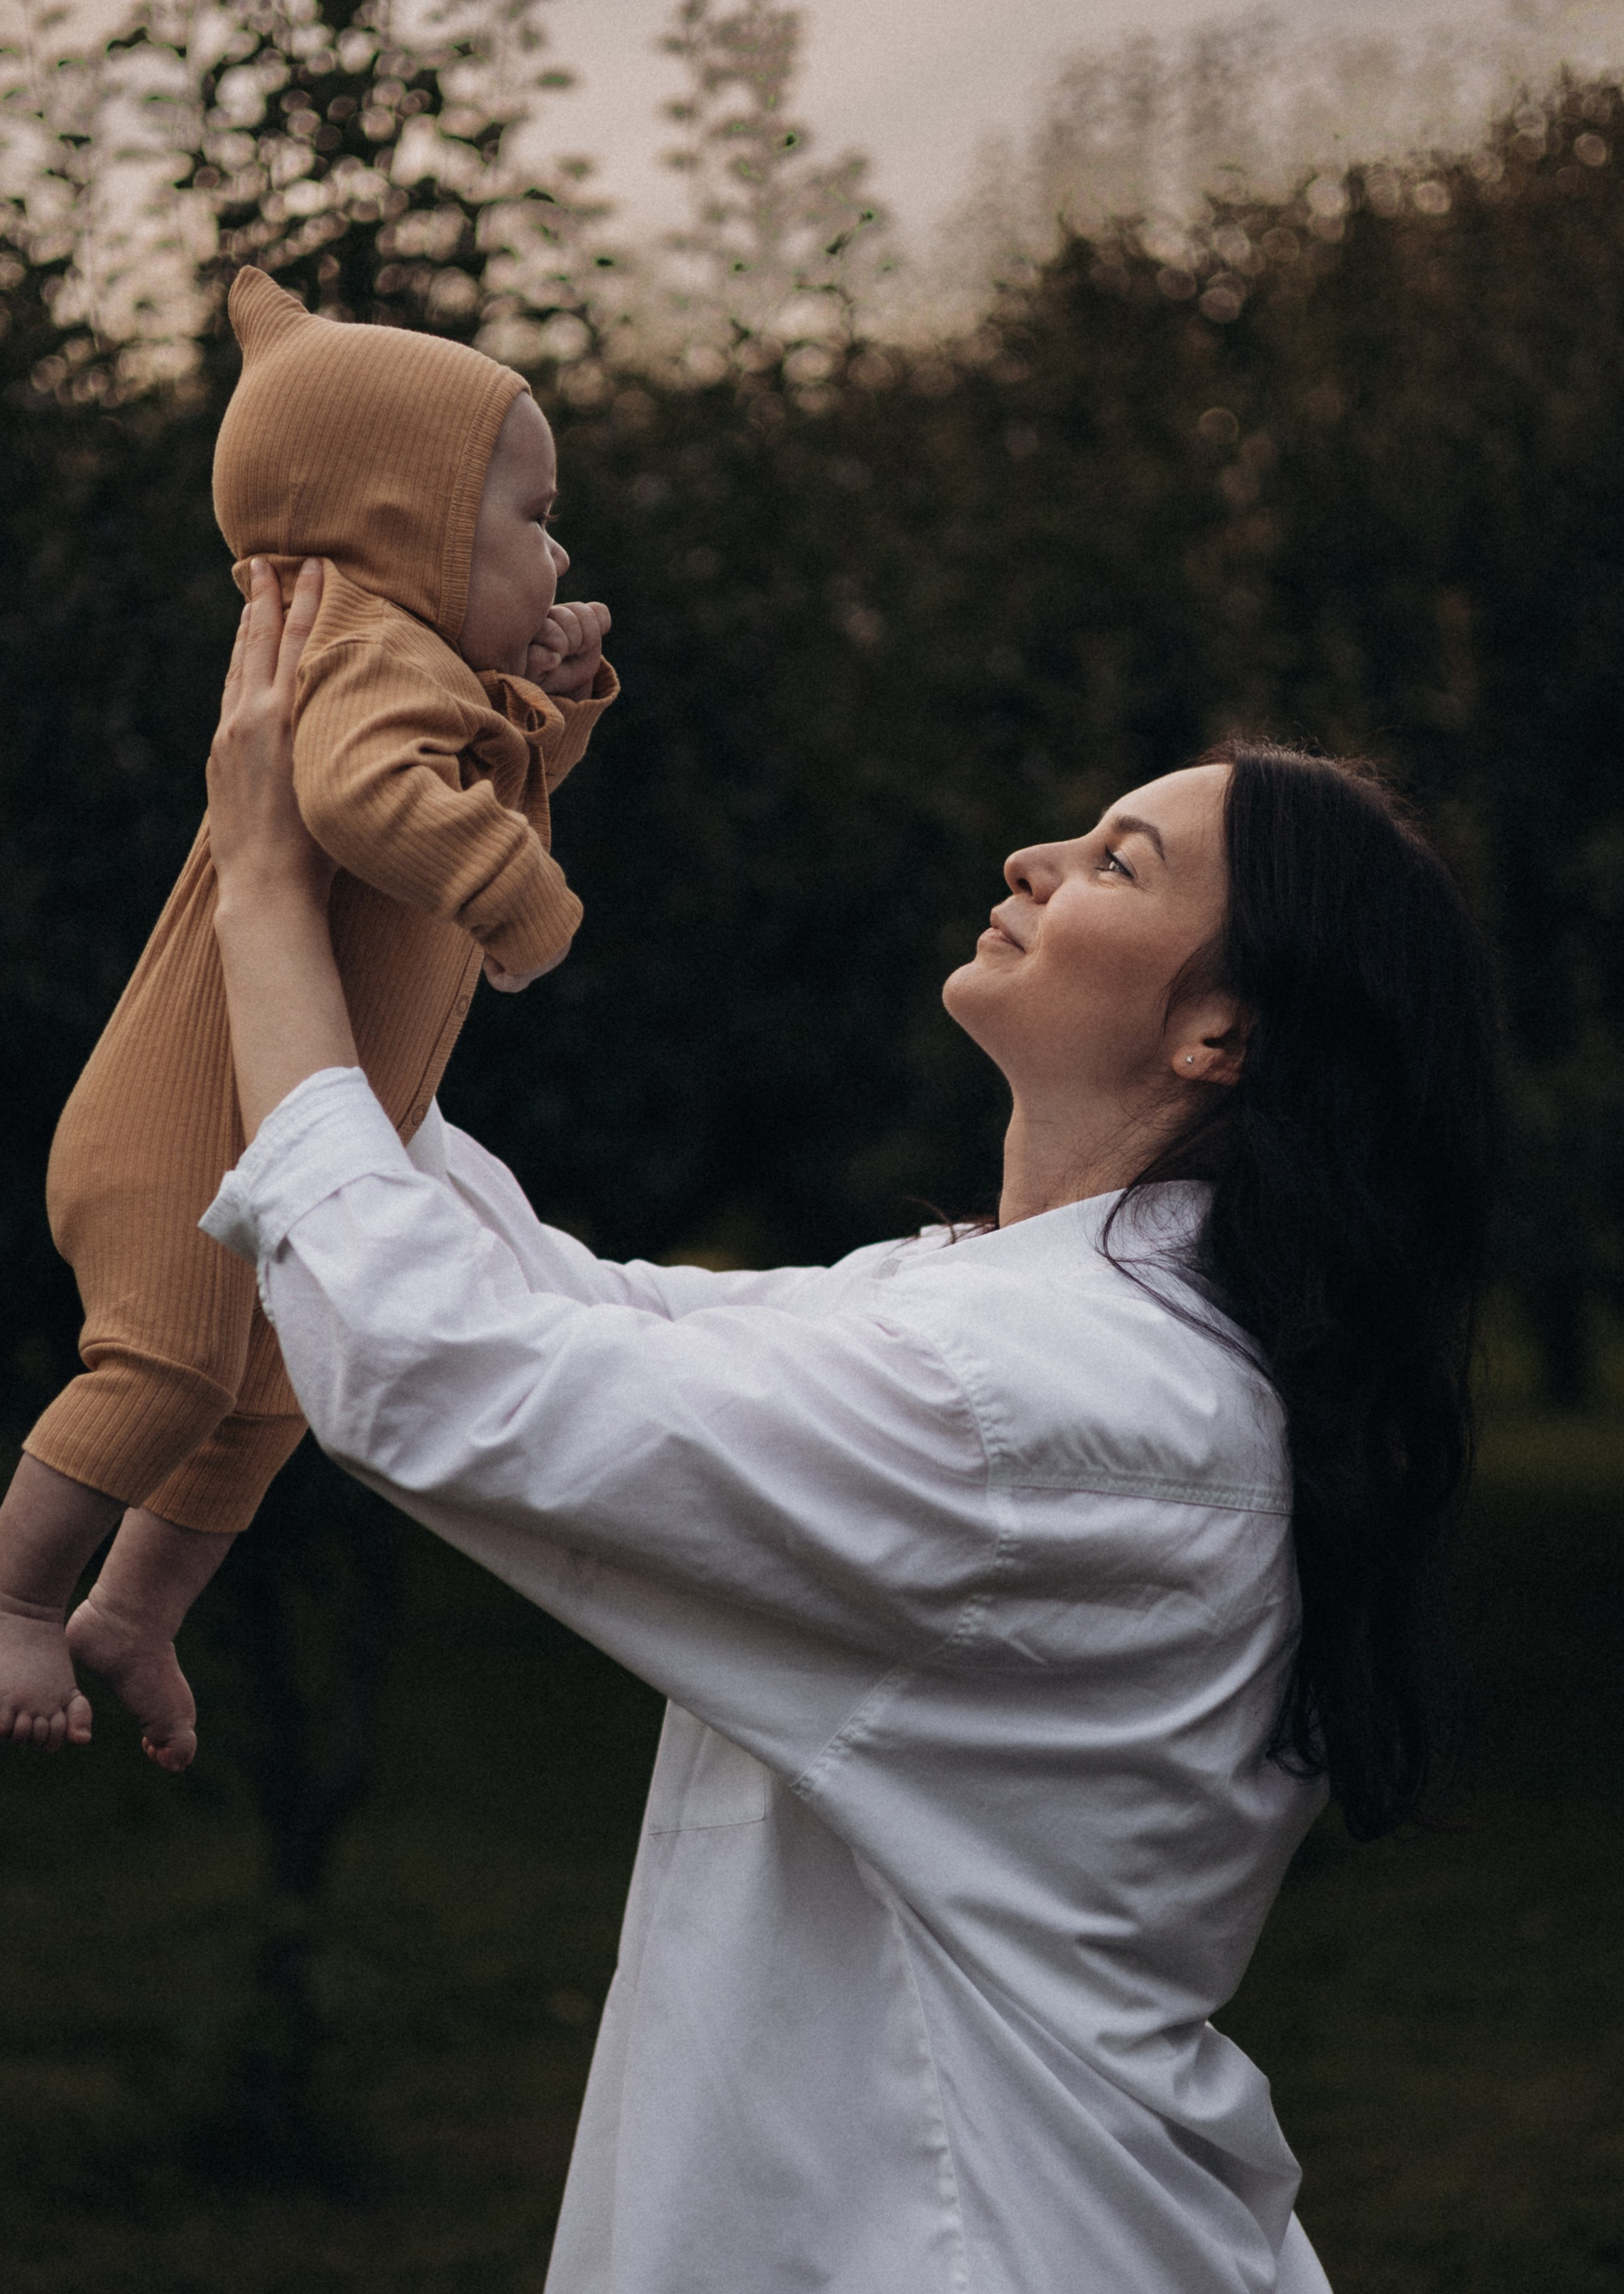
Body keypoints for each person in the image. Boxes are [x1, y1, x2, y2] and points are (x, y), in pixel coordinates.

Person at [196, 560, 1498, 2294]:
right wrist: (418, 828)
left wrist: (267, 900)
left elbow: (438, 1373)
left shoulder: (1044, 1400)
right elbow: (550, 1305)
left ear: (1220, 1032)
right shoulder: (1015, 1318)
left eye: (1119, 861)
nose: (1034, 859)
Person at [0, 271, 614, 1768]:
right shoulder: (360, 646)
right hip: (179, 1128)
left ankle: (130, 1612)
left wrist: (549, 709)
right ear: (401, 527)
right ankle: (9, 1594)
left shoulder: (398, 658)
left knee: (269, 1394)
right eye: (528, 519)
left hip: (266, 1135)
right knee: (170, 1370)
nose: (559, 549)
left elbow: (459, 772)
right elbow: (371, 799)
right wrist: (525, 900)